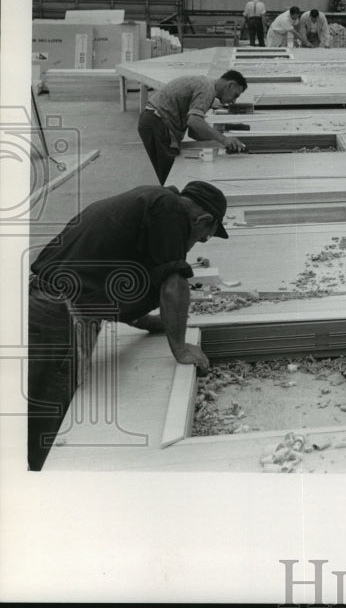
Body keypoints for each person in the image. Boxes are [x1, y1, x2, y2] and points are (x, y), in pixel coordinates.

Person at [27, 180, 228, 470]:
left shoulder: (151, 202)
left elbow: (113, 276)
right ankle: (33, 489)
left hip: (50, 302)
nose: (195, 242)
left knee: (40, 406)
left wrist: (146, 321)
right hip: (57, 312)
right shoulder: (170, 211)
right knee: (48, 415)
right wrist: (181, 348)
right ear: (204, 220)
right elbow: (174, 283)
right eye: (203, 237)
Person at [138, 70, 249, 185]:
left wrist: (220, 141)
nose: (234, 101)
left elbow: (194, 132)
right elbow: (194, 121)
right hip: (158, 122)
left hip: (154, 120)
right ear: (230, 85)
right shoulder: (207, 89)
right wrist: (223, 139)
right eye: (235, 95)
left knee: (169, 175)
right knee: (173, 178)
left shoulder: (206, 85)